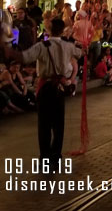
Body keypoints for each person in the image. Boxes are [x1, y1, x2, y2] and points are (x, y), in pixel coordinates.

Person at [6, 18, 80, 166]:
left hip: (46, 86)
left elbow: (25, 57)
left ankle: (45, 157)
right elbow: (80, 52)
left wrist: (8, 50)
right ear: (62, 30)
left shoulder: (42, 46)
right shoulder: (68, 46)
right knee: (59, 124)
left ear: (48, 29)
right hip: (59, 87)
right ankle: (56, 156)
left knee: (44, 124)